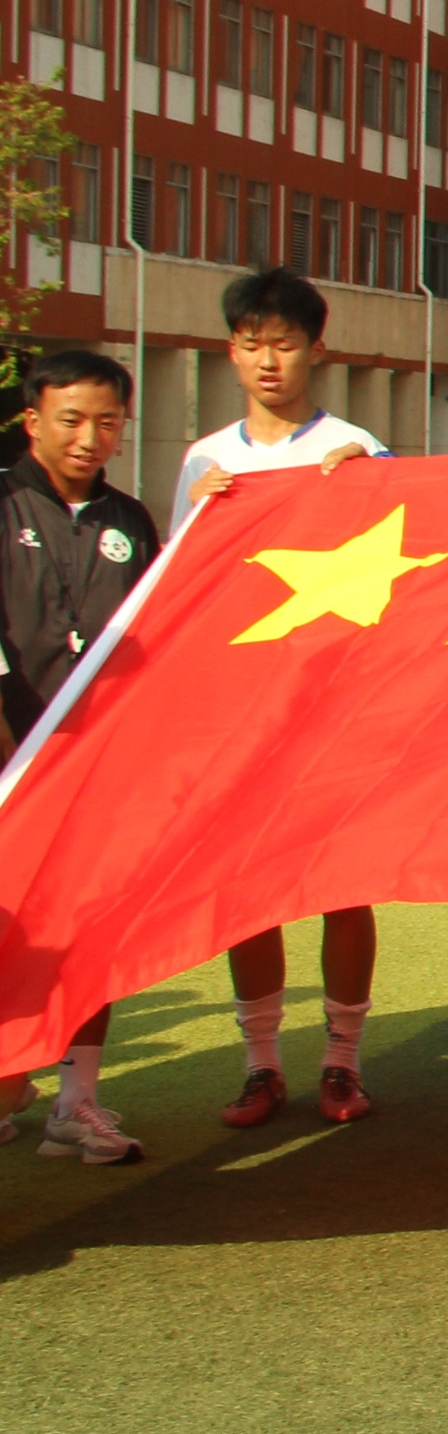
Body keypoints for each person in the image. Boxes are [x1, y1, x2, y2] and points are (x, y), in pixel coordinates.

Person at [179, 266, 390, 1131]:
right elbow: (178, 594)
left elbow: (405, 580)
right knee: (247, 889)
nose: (269, 361)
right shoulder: (206, 461)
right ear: (231, 351)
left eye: (285, 343)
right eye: (252, 343)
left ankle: (340, 1062)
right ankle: (261, 1066)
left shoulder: (356, 448)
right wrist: (200, 518)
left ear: (316, 349)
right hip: (241, 714)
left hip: (334, 709)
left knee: (344, 885)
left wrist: (371, 488)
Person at [4, 352, 158, 1163]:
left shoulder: (130, 519)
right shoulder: (1, 503)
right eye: (71, 419)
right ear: (33, 420)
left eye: (107, 421)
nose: (89, 436)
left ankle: (78, 1099)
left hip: (101, 769)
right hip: (13, 766)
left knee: (90, 932)